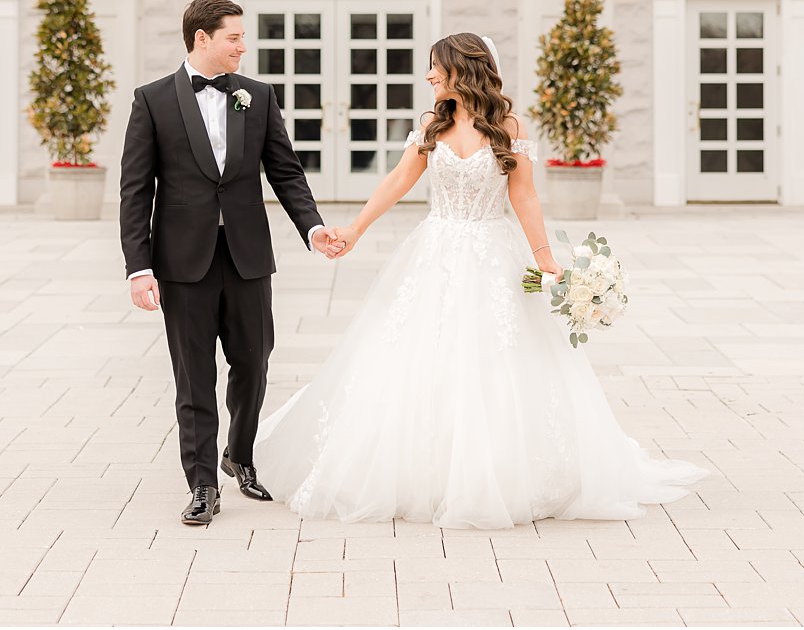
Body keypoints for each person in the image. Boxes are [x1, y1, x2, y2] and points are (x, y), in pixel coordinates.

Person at [252, 32, 709, 529]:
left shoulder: (508, 126)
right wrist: (356, 230)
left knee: (497, 359)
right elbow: (398, 181)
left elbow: (525, 196)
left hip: (495, 254)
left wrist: (545, 260)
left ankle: (501, 474)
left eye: (435, 67)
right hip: (436, 252)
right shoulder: (432, 124)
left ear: (461, 69)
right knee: (419, 353)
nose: (427, 76)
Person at [120, 0, 341, 526]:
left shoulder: (257, 97)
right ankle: (201, 483)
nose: (244, 45)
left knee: (253, 362)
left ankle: (238, 454)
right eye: (234, 37)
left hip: (246, 256)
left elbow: (285, 171)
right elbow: (135, 190)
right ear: (203, 39)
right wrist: (139, 266)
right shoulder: (152, 101)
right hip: (182, 262)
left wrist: (311, 227)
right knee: (193, 376)